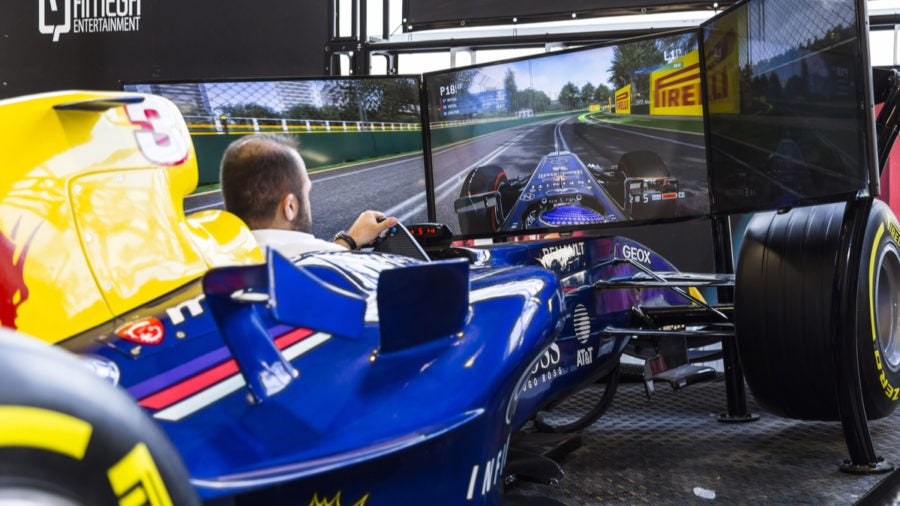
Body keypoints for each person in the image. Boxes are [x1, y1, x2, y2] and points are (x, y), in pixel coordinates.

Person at [219, 134, 398, 257]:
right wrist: (342, 249)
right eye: (306, 192)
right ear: (290, 206)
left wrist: (348, 242)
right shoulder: (331, 264)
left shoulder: (208, 264)